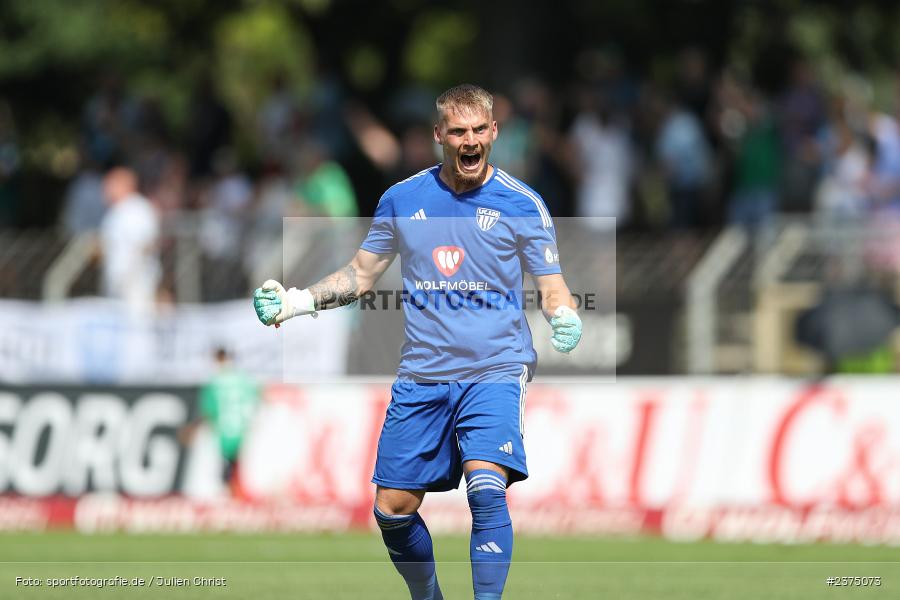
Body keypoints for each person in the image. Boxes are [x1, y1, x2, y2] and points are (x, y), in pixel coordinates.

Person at [252, 84, 582, 600]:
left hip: (495, 367)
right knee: (392, 510)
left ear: (493, 133)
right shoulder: (402, 199)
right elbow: (361, 275)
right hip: (422, 374)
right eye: (458, 131)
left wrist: (564, 315)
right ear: (439, 137)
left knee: (486, 488)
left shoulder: (522, 203)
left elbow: (553, 286)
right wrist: (297, 301)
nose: (469, 141)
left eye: (478, 130)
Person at [180, 347, 261, 498]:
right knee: (237, 467)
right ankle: (236, 495)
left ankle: (229, 496)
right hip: (244, 430)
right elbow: (256, 400)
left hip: (223, 431)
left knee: (224, 468)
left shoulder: (214, 382)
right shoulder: (244, 380)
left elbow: (208, 411)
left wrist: (193, 427)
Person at [98, 166, 160, 317]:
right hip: (115, 283)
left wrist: (130, 275)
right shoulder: (114, 212)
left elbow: (146, 243)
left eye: (110, 184)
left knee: (137, 331)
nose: (105, 189)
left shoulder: (138, 209)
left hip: (136, 283)